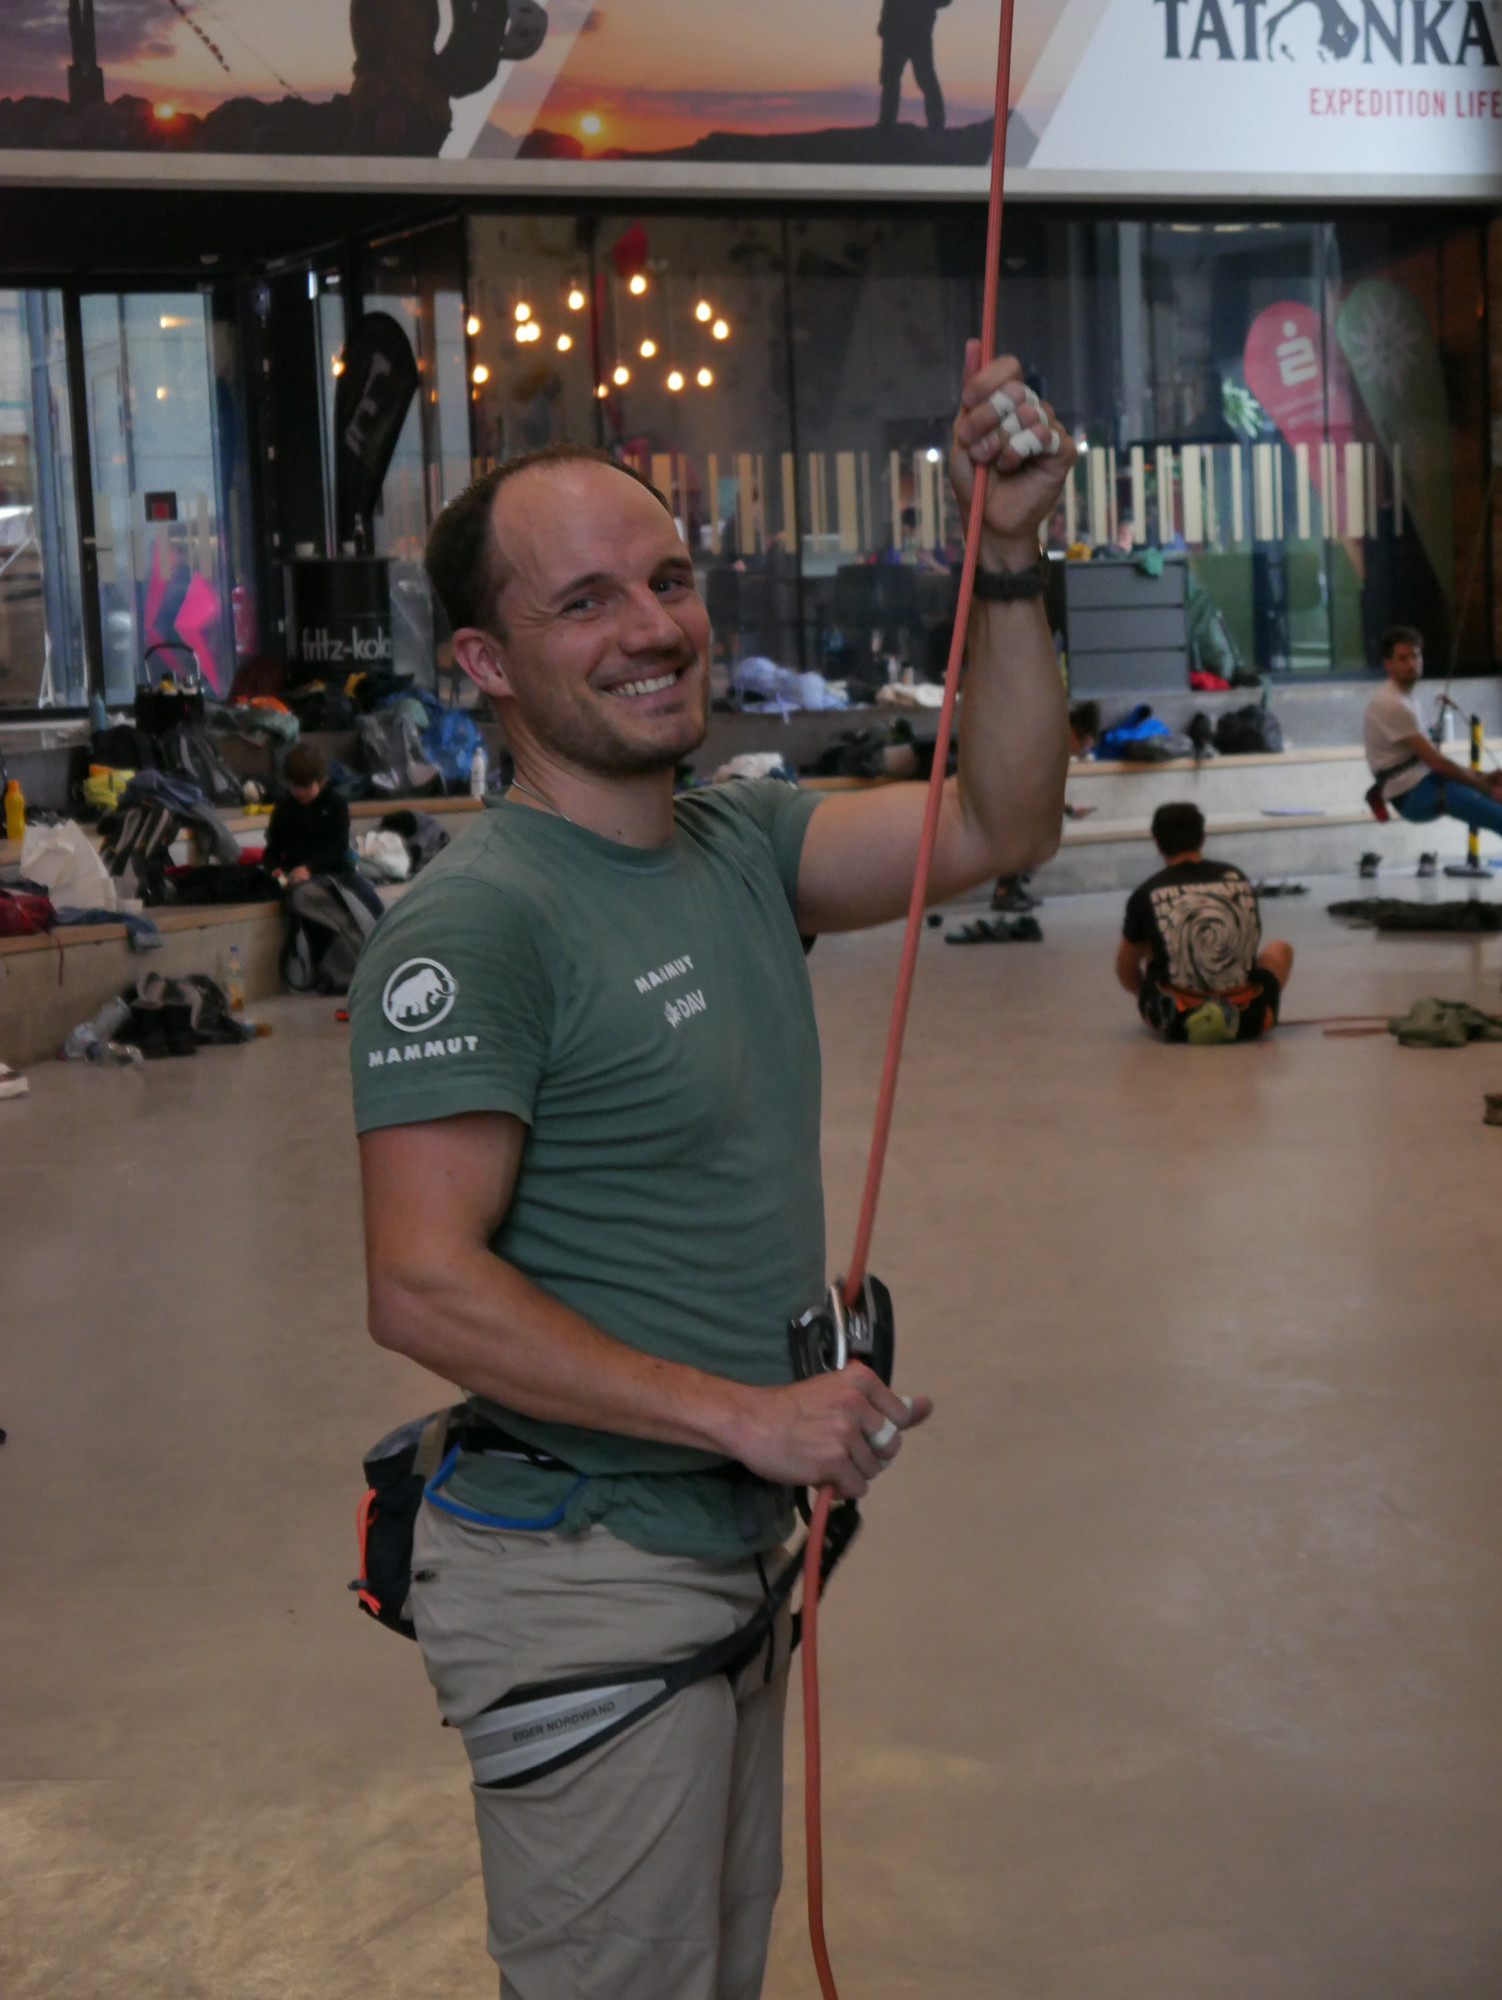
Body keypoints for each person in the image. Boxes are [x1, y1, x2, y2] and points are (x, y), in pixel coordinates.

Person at [349, 351, 1073, 2000]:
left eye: (667, 580)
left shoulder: (738, 846)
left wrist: (1011, 554)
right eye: (585, 601)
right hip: (586, 1582)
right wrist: (746, 1417)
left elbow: (1002, 822)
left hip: (719, 1559)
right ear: (485, 663)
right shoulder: (478, 925)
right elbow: (421, 1285)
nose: (653, 628)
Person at [1116, 801, 1293, 1044]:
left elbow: (1125, 970)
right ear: (1203, 838)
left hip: (1177, 1022)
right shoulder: (1238, 878)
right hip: (1247, 1020)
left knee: (1151, 947)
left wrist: (1147, 994)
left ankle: (1169, 1005)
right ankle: (1232, 1010)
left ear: (1157, 843)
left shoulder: (1147, 892)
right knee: (1279, 949)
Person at [1364, 624, 1502, 842]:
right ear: (1389, 664)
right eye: (1403, 658)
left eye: (1415, 656)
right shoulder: (1394, 704)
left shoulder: (1407, 698)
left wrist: (1484, 777)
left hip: (1424, 780)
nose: (1411, 664)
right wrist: (1486, 787)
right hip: (1411, 794)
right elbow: (1437, 763)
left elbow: (1434, 763)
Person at [265, 742, 383, 917]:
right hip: (297, 874)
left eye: (305, 786)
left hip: (335, 871)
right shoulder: (284, 807)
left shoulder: (335, 804)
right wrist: (274, 867)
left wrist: (310, 867)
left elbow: (337, 847)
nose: (299, 792)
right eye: (294, 786)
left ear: (321, 782)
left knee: (372, 901)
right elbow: (273, 847)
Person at [877, 0, 948, 131]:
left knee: (925, 78)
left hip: (917, 34)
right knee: (890, 78)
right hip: (896, 33)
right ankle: (887, 122)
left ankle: (936, 124)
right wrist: (885, 22)